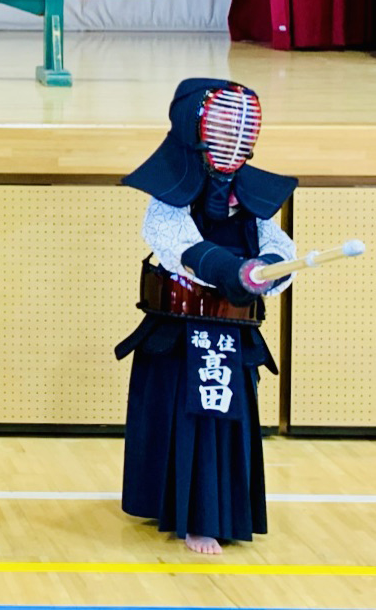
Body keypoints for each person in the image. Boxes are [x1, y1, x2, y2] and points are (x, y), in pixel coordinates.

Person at [116, 78, 295, 555]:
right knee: (183, 419)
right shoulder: (171, 189)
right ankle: (185, 513)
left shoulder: (249, 194)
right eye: (222, 126)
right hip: (178, 331)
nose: (232, 137)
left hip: (233, 329)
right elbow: (176, 244)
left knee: (225, 418)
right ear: (195, 129)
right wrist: (229, 270)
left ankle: (219, 512)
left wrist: (268, 269)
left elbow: (277, 246)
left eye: (240, 128)